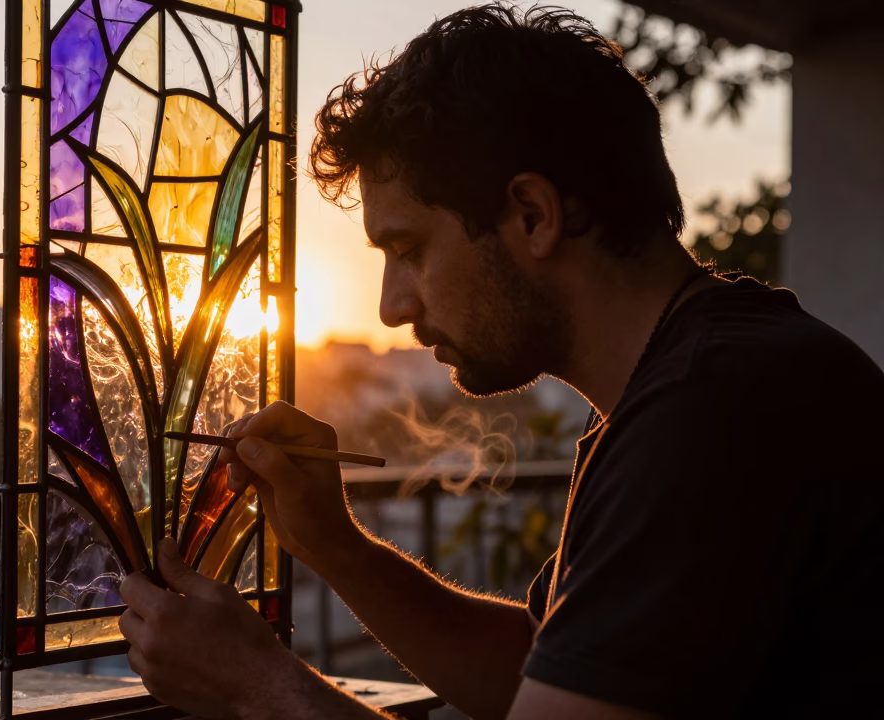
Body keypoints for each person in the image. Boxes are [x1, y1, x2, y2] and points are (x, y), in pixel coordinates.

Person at [116, 4, 884, 718]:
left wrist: (261, 687)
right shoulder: (690, 381)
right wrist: (333, 545)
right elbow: (545, 670)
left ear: (532, 215)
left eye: (409, 250)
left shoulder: (714, 415)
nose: (392, 306)